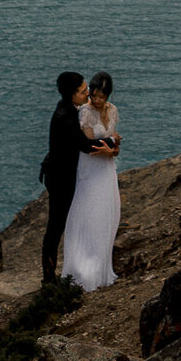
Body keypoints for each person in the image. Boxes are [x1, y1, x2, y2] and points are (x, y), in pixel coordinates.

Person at [40, 71, 113, 285]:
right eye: (83, 91)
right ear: (72, 94)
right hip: (60, 178)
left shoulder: (70, 109)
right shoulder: (65, 118)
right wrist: (111, 144)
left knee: (62, 223)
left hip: (63, 173)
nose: (88, 93)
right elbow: (85, 145)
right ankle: (48, 279)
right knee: (56, 226)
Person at [60, 71, 122, 290]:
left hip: (106, 168)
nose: (95, 100)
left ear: (107, 95)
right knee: (89, 213)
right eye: (92, 95)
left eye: (100, 97)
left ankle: (103, 266)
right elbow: (88, 144)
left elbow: (113, 146)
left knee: (108, 213)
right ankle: (84, 268)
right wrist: (111, 144)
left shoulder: (113, 110)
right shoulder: (85, 111)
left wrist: (113, 149)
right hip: (90, 167)